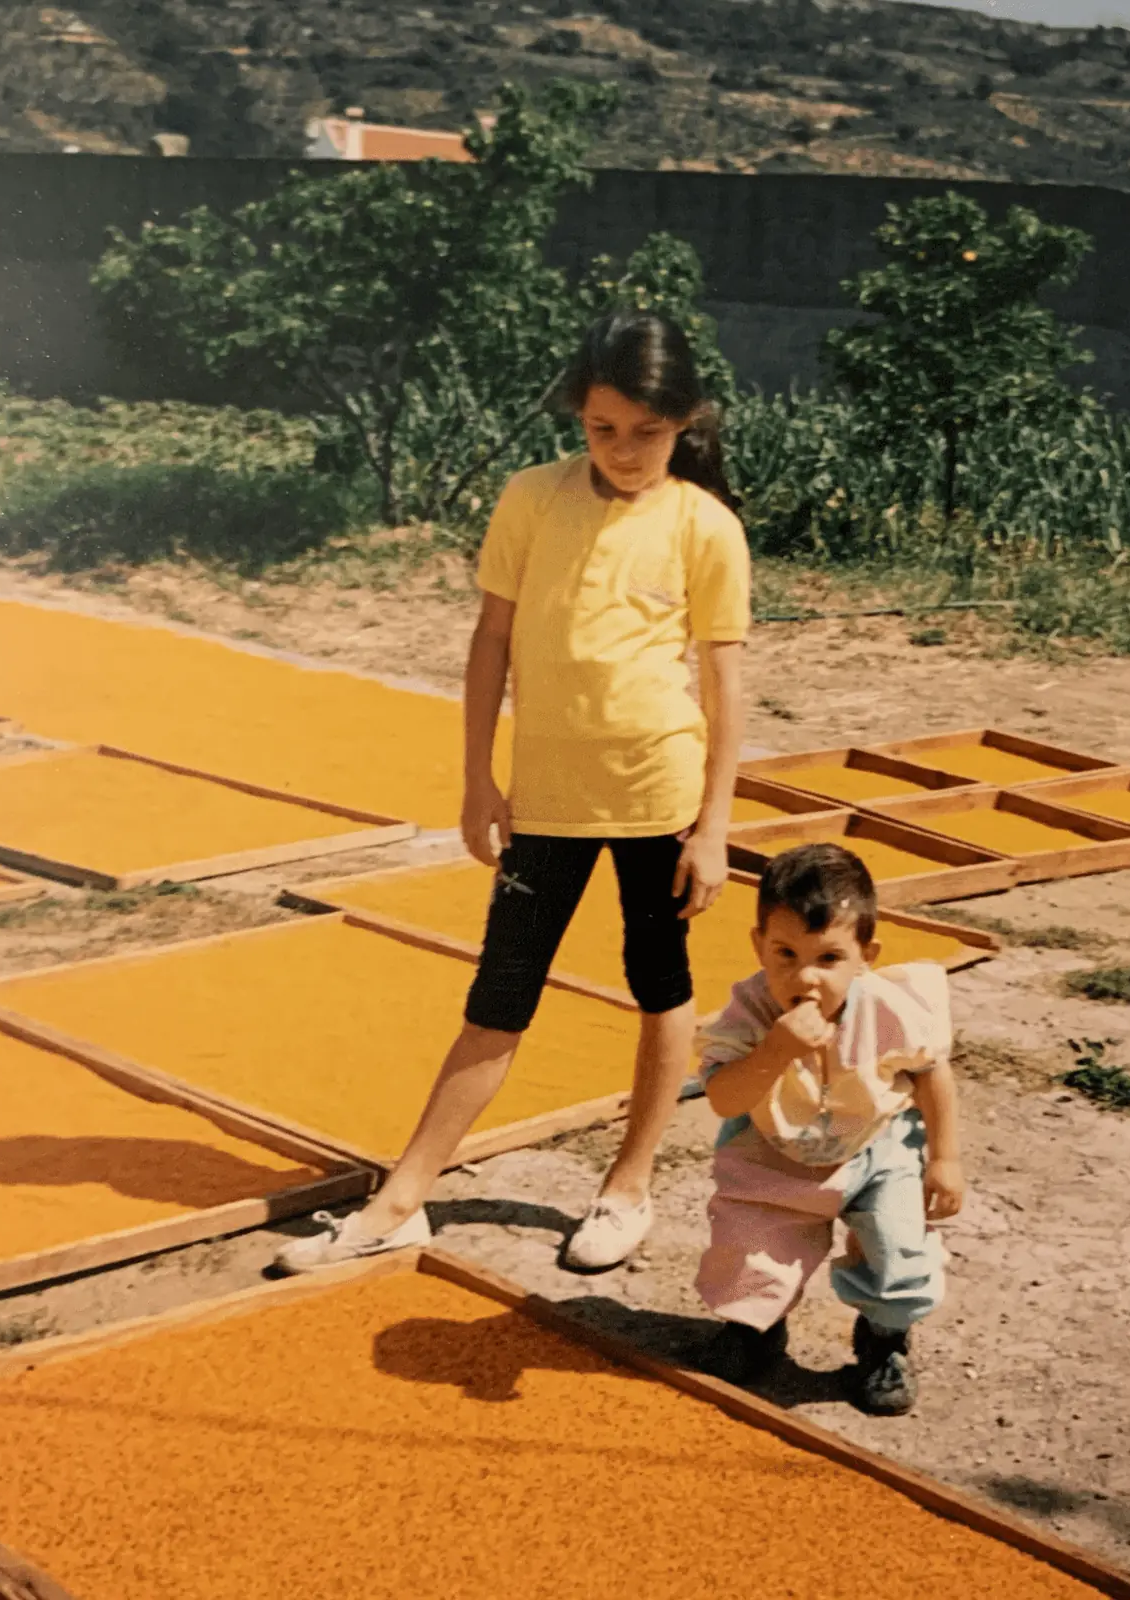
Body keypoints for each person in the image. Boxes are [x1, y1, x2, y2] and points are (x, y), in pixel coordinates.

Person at [276, 310, 750, 1276]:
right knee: (501, 991)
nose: (623, 450)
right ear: (579, 416)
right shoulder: (531, 499)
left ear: (684, 421)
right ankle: (404, 1197)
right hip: (543, 799)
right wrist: (476, 780)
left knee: (659, 988)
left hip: (658, 795)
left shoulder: (706, 526)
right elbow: (491, 639)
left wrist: (714, 826)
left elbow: (726, 685)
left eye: (647, 432)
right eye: (602, 428)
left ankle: (628, 1185)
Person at [694, 843, 964, 1415]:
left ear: (865, 955)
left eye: (829, 959)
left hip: (876, 1145)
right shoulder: (749, 1011)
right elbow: (723, 1098)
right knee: (750, 1243)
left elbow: (931, 1073)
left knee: (897, 1246)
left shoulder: (890, 1008)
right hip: (774, 1144)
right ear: (758, 945)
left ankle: (884, 1340)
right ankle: (755, 1327)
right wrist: (774, 1051)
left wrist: (945, 1157)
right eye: (785, 954)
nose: (805, 977)